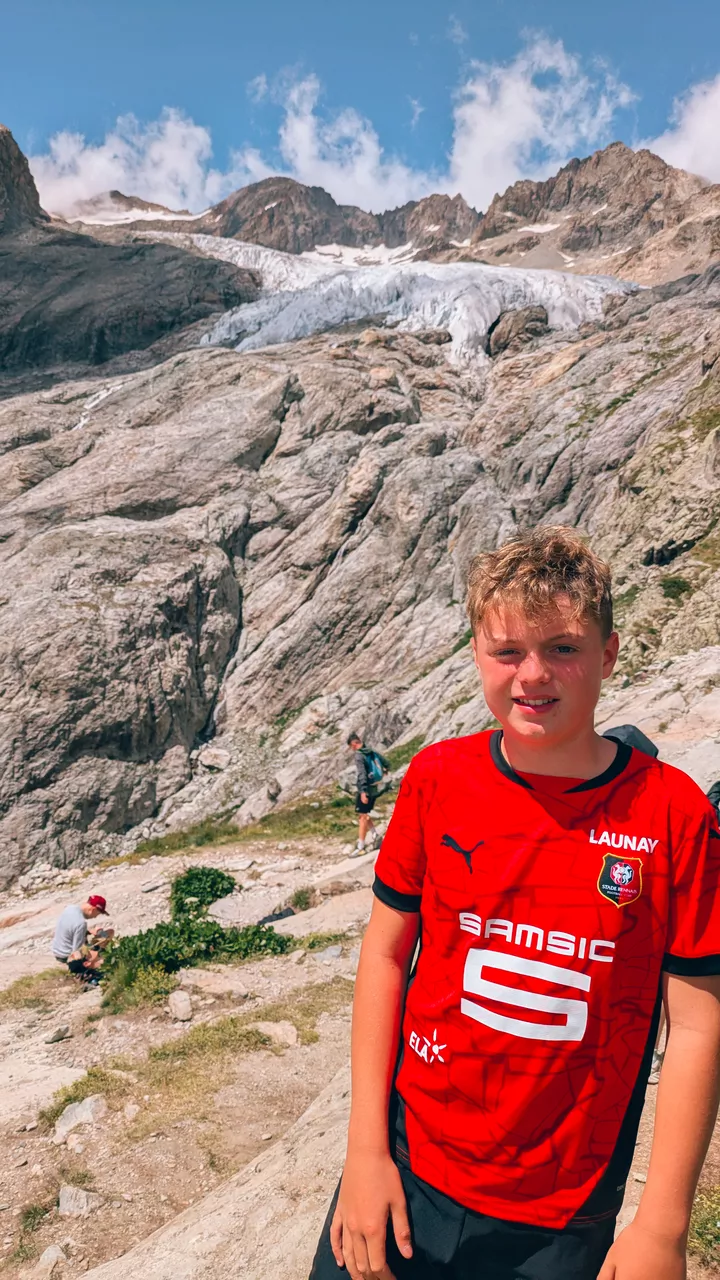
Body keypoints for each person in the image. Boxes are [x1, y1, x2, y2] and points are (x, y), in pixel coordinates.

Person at [311, 527, 720, 1280]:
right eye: (507, 651)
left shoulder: (675, 814)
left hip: (563, 1217)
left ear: (609, 654)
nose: (533, 674)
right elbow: (386, 953)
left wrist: (663, 1227)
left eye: (563, 648)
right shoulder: (438, 778)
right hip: (408, 1168)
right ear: (476, 654)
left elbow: (696, 1023)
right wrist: (364, 1153)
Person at [52, 895, 111, 984]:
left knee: (109, 933)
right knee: (103, 959)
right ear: (93, 910)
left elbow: (70, 929)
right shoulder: (81, 923)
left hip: (58, 951)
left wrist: (89, 931)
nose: (95, 917)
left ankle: (97, 953)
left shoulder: (70, 908)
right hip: (67, 956)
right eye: (98, 914)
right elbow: (77, 950)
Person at [347, 733, 390, 855]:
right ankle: (375, 834)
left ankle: (361, 847)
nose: (352, 749)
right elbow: (386, 763)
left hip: (366, 789)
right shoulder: (371, 751)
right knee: (364, 814)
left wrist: (363, 791)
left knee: (362, 817)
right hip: (374, 787)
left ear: (354, 744)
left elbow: (362, 774)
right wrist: (385, 771)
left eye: (351, 746)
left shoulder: (359, 755)